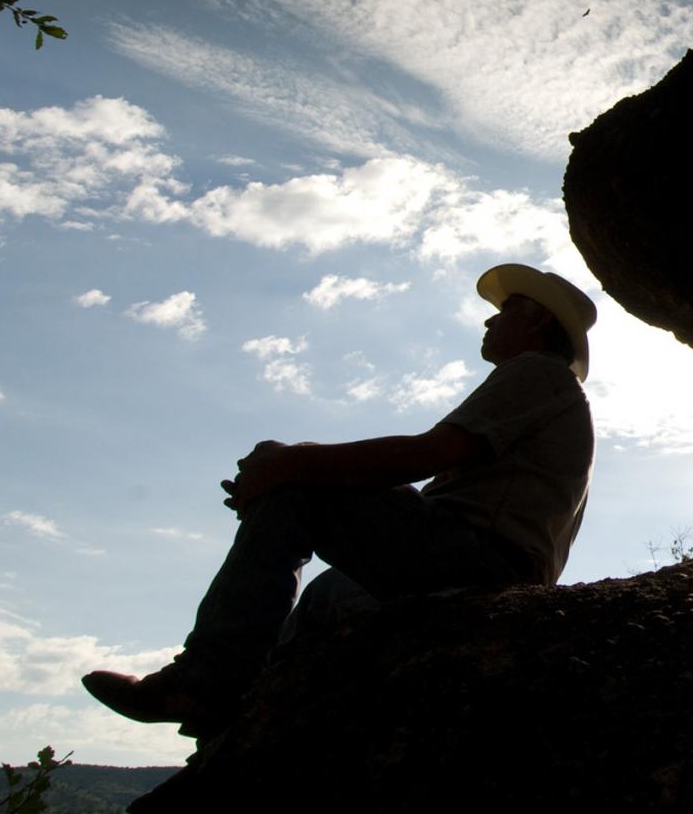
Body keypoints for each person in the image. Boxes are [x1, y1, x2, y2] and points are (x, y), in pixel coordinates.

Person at [81, 263, 597, 738]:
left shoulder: (537, 373)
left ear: (535, 320)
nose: (488, 324)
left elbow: (424, 455)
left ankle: (205, 681)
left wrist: (289, 465)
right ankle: (231, 728)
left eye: (502, 312)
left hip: (484, 564)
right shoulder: (542, 386)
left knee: (298, 477)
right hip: (480, 561)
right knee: (321, 600)